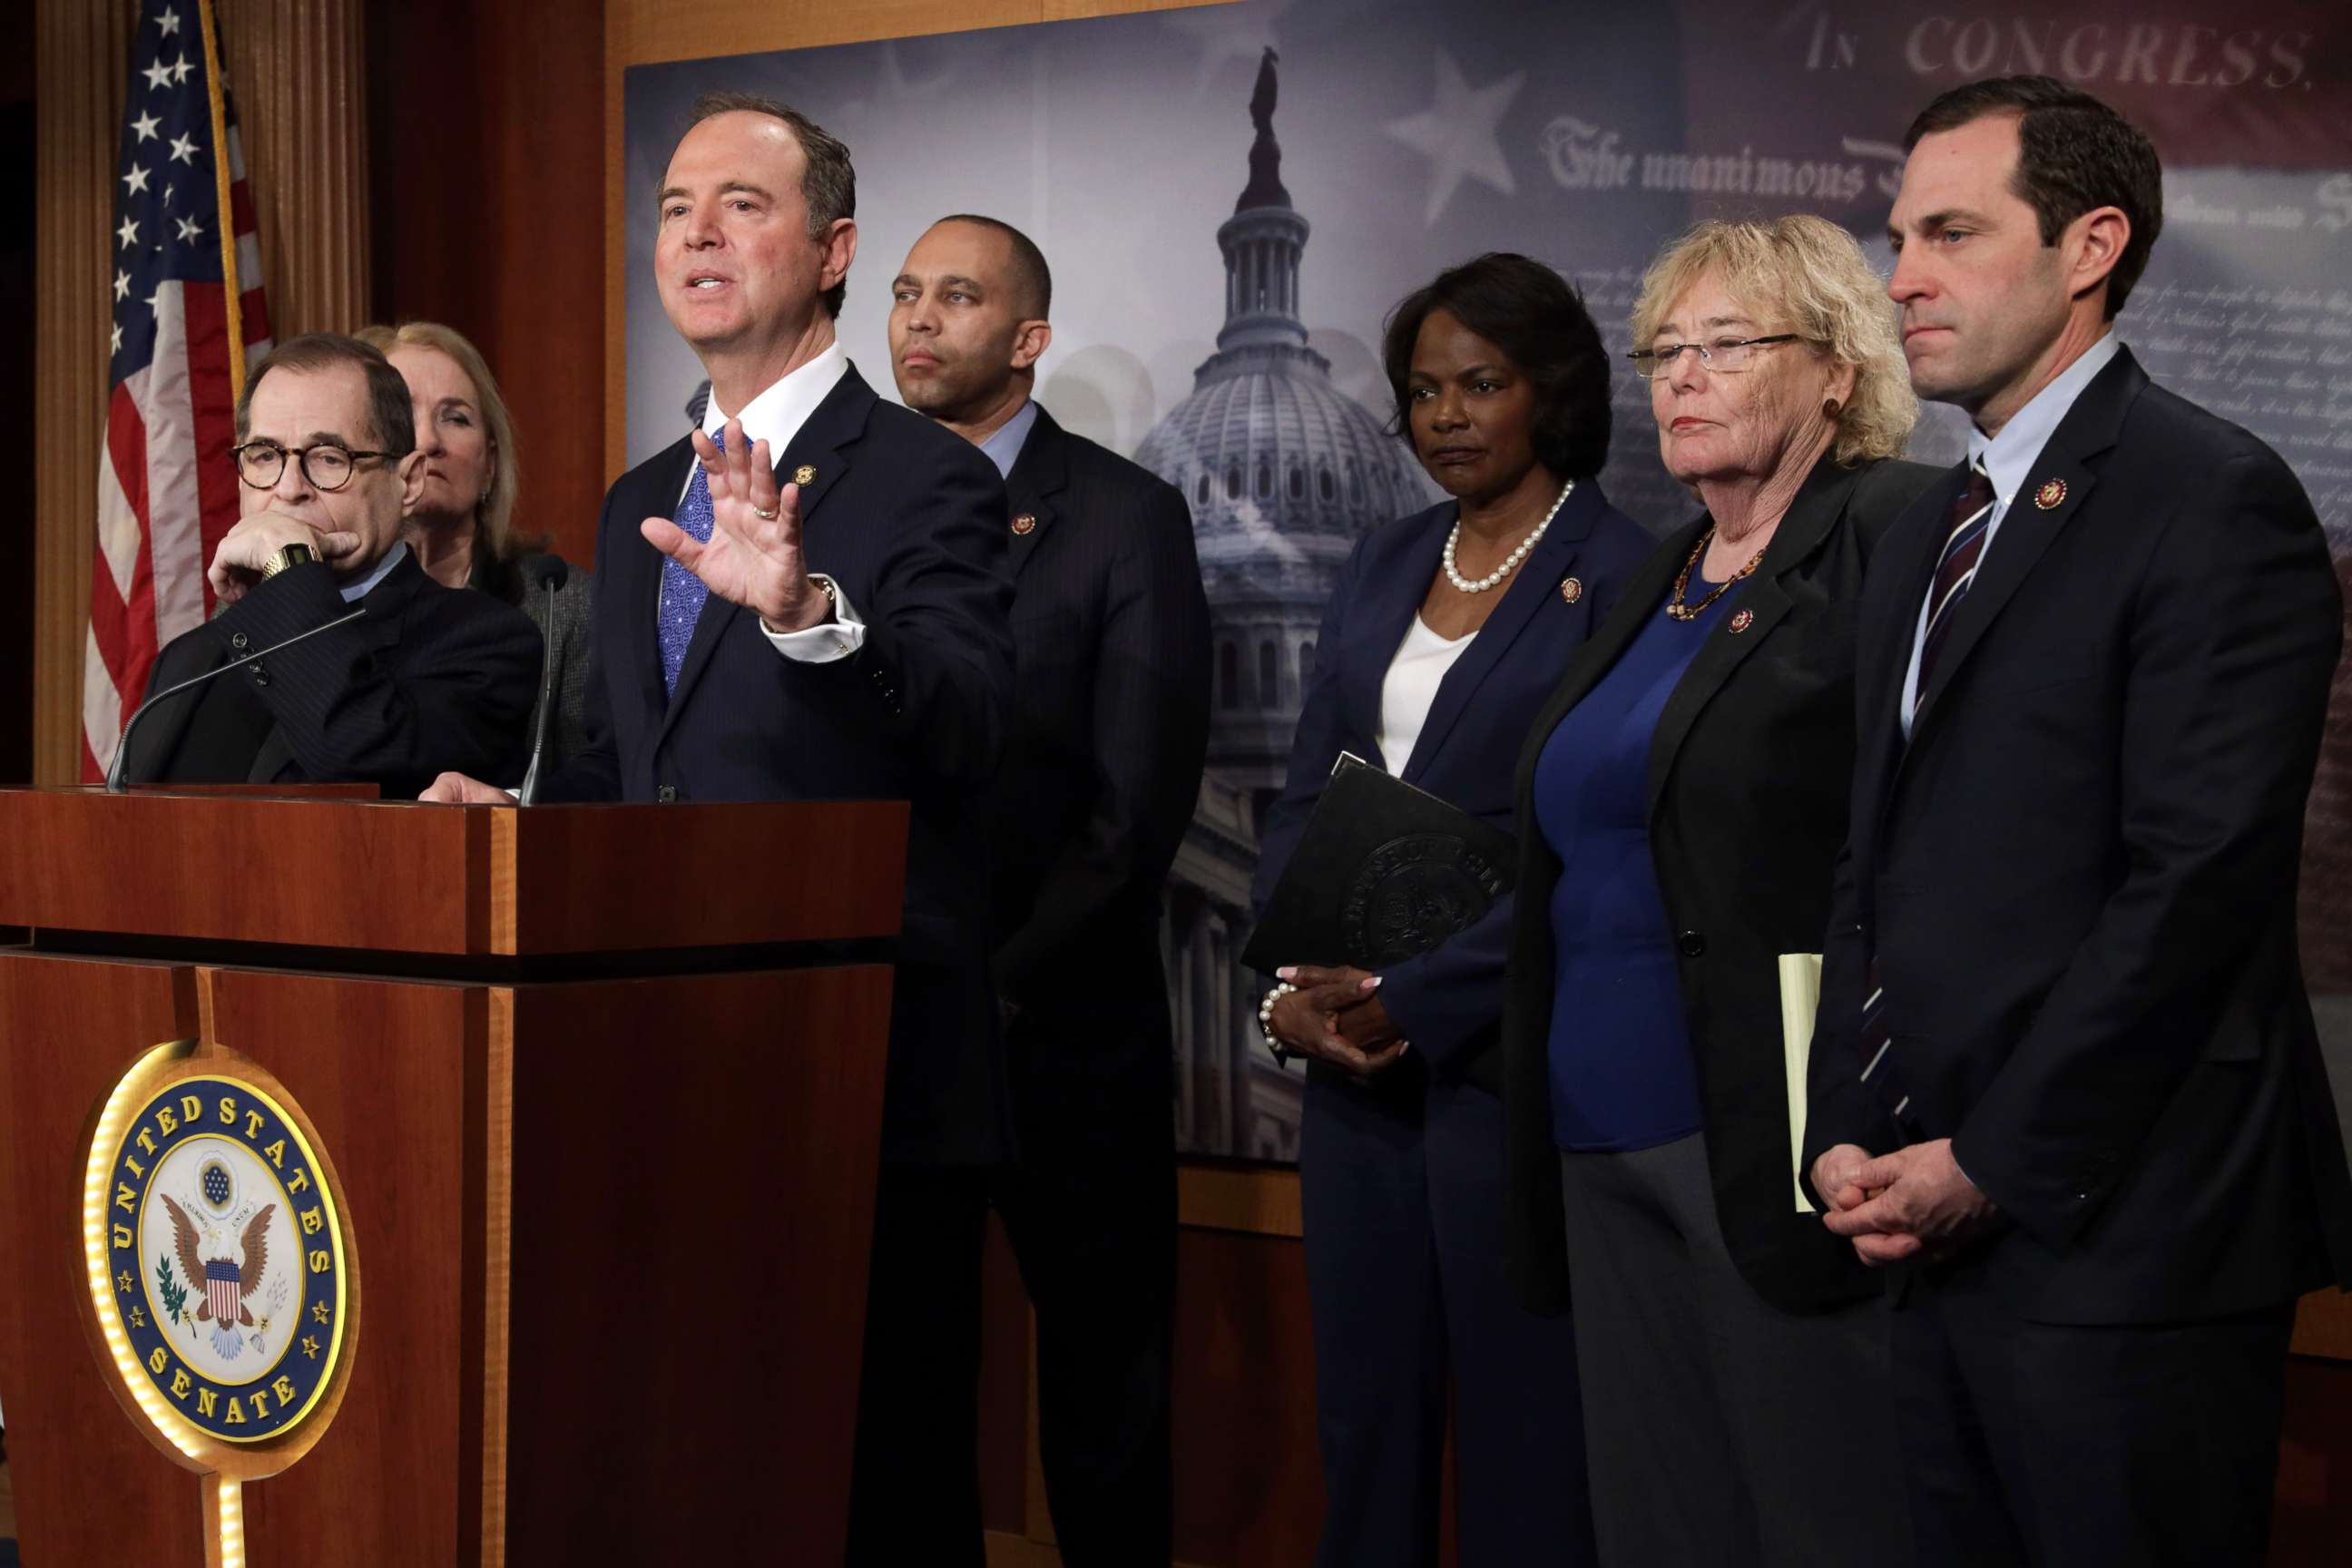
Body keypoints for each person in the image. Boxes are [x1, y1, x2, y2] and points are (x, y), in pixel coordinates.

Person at [422, 93, 1015, 1565]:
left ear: (831, 251)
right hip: (664, 1089)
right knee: (695, 1480)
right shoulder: (644, 500)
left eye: (741, 203)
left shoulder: (928, 473)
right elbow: (630, 788)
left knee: (872, 1494)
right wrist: (527, 831)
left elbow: (973, 730)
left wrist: (812, 615)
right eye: (677, 204)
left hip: (864, 1085)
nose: (694, 228)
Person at [1799, 75, 2352, 1567]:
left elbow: (2194, 886)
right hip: (1922, 1218)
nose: (1898, 273)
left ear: (2089, 242)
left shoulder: (2208, 496)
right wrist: (1848, 1121)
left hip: (2127, 1231)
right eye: (1896, 232)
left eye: (1950, 233)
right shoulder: (1919, 523)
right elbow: (1878, 850)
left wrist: (1986, 1155)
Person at [1496, 216, 1937, 1566]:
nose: (1680, 375)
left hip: (1779, 1120)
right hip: (1595, 1122)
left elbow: (1931, 837)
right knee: (1658, 1523)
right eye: (1665, 350)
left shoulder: (1899, 534)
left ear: (1839, 371)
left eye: (1728, 345)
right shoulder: (1658, 574)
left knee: (1818, 1514)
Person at [1254, 252, 1649, 1568]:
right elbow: (1309, 793)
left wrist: (1416, 1001)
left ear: (1553, 393)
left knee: (1527, 1443)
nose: (1449, 417)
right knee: (1366, 1426)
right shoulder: (1382, 559)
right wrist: (1287, 993)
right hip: (1354, 1082)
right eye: (1424, 391)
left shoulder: (1629, 570)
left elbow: (1593, 848)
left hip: (1509, 1072)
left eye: (1482, 384)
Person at [887, 214, 1210, 1563]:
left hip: (1062, 1029)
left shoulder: (1126, 518)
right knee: (903, 1406)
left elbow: (1131, 816)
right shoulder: (856, 508)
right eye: (905, 293)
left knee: (1105, 1398)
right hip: (900, 1040)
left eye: (956, 298)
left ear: (1026, 341)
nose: (918, 320)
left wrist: (993, 980)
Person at [118, 332, 539, 796]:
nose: (289, 488)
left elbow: (356, 756)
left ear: (409, 483)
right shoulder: (188, 660)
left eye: (328, 458)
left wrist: (291, 567)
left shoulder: (484, 642)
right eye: (264, 456)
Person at [357, 320, 594, 771]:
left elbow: (594, 788)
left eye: (456, 418)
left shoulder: (565, 608)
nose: (427, 442)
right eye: (401, 416)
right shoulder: (300, 600)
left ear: (490, 467)